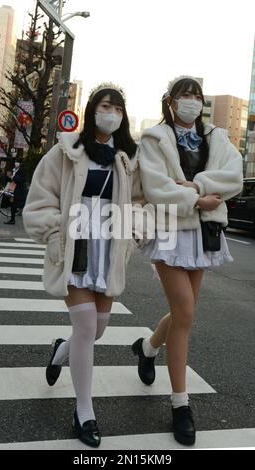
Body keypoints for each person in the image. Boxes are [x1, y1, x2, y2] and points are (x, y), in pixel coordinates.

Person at [23, 83, 138, 448]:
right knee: (87, 325)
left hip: (107, 247)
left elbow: (139, 204)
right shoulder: (66, 150)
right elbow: (40, 200)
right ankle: (84, 411)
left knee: (97, 329)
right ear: (92, 111)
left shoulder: (126, 158)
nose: (111, 114)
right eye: (105, 106)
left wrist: (131, 237)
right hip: (75, 244)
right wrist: (57, 235)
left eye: (117, 109)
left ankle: (60, 349)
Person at [131, 76, 243, 446]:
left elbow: (234, 177)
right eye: (184, 95)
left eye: (196, 95)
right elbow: (155, 184)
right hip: (168, 228)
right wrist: (196, 199)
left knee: (185, 311)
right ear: (170, 101)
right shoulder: (154, 138)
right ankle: (181, 404)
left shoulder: (217, 137)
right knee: (186, 314)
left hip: (204, 232)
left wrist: (197, 187)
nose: (191, 101)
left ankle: (147, 349)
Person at [4, 157, 27, 224]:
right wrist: (8, 176)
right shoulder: (14, 170)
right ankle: (12, 219)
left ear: (21, 163)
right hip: (13, 189)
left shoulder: (22, 170)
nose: (16, 163)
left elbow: (22, 180)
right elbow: (11, 179)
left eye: (18, 162)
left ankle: (13, 220)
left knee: (15, 204)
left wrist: (13, 177)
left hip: (18, 190)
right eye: (15, 162)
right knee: (13, 204)